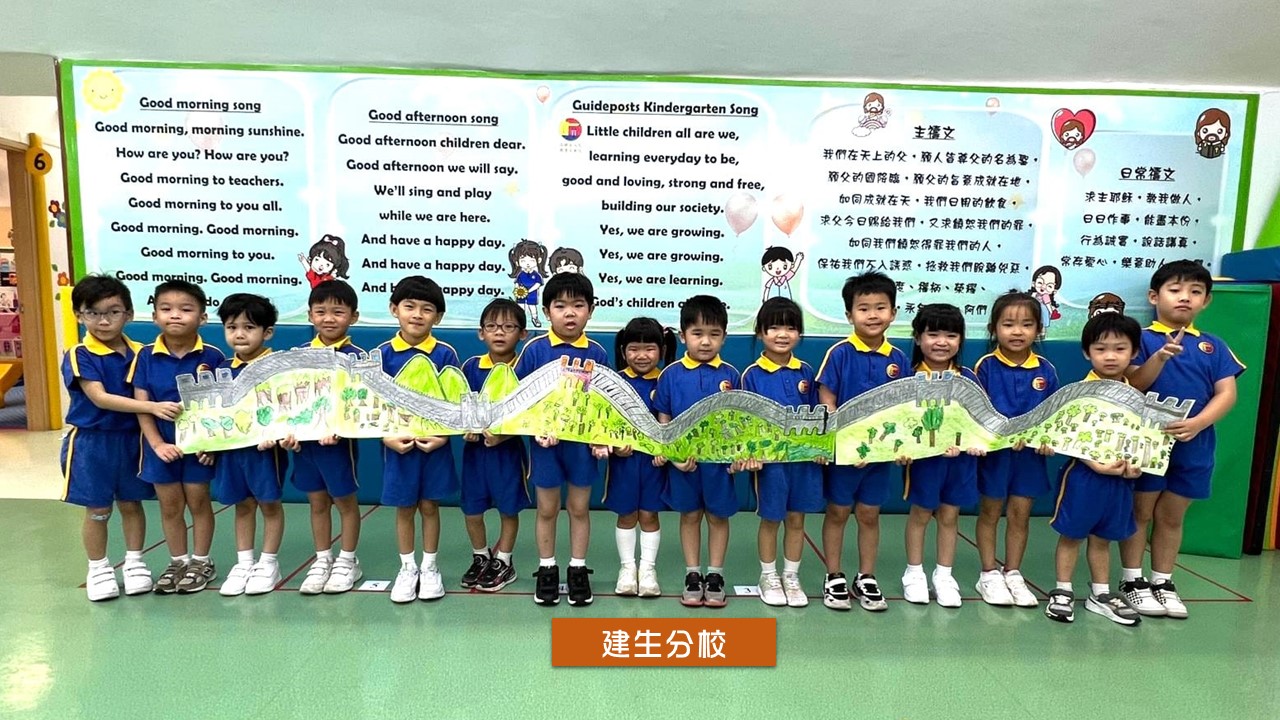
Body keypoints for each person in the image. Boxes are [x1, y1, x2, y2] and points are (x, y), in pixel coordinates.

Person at [1120, 260, 1244, 619]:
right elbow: (1134, 383)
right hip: (1147, 441)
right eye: (1175, 290)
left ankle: (1163, 581)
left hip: (1195, 444)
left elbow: (1227, 394)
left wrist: (1199, 423)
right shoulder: (1140, 339)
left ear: (1206, 300)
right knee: (1140, 511)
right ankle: (1132, 580)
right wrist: (1159, 358)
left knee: (1172, 516)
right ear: (1154, 296)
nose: (1185, 297)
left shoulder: (1213, 346)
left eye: (1195, 291)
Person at [61, 275, 182, 601]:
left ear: (128, 314)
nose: (103, 321)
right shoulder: (79, 353)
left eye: (113, 312)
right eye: (93, 312)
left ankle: (134, 562)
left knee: (131, 504)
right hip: (92, 443)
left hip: (133, 439)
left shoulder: (142, 352)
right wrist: (152, 407)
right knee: (98, 509)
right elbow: (99, 397)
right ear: (79, 315)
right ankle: (98, 568)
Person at [513, 273, 610, 606]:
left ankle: (578, 568)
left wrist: (600, 438)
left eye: (578, 305)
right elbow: (519, 400)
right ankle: (547, 568)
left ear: (590, 311)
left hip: (582, 447)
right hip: (546, 447)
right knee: (547, 508)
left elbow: (604, 403)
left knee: (579, 508)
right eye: (560, 306)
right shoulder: (534, 350)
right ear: (546, 311)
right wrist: (536, 429)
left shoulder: (597, 352)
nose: (570, 313)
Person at [816, 271, 910, 612]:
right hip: (844, 455)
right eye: (864, 308)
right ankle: (833, 575)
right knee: (838, 512)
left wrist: (901, 446)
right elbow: (827, 402)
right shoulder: (839, 354)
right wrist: (845, 444)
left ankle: (866, 576)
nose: (872, 315)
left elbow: (904, 409)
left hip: (879, 457)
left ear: (893, 313)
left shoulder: (899, 359)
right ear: (849, 315)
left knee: (870, 514)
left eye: (880, 307)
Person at [1044, 313, 1145, 625]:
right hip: (1084, 478)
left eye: (1119, 349)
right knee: (1072, 535)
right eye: (1101, 349)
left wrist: (1135, 467)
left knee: (1103, 539)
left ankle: (1100, 594)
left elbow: (1141, 440)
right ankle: (1063, 591)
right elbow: (1065, 435)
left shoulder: (1137, 397)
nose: (1110, 356)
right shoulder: (1078, 392)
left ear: (1134, 352)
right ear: (1087, 352)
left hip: (1119, 482)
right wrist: (1096, 464)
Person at [130, 280, 225, 594]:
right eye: (166, 309)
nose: (175, 315)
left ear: (202, 317)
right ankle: (178, 561)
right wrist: (157, 444)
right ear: (154, 316)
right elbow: (142, 406)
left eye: (186, 309)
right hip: (161, 446)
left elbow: (222, 406)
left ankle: (202, 561)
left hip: (199, 446)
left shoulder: (213, 356)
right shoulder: (145, 356)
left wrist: (211, 444)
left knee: (199, 502)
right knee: (170, 506)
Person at [972, 291, 1059, 607]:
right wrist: (999, 435)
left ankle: (1012, 572)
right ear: (994, 329)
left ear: (1039, 330)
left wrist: (1047, 439)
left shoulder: (1046, 370)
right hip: (996, 456)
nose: (1017, 331)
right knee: (990, 512)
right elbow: (976, 412)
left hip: (1029, 459)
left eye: (1027, 324)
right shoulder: (985, 366)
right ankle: (988, 573)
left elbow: (1052, 415)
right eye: (1008, 324)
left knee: (1020, 515)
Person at [378, 276, 461, 603]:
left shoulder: (445, 354)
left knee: (429, 506)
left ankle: (429, 567)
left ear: (437, 317)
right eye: (409, 306)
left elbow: (456, 403)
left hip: (433, 448)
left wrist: (442, 437)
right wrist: (386, 437)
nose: (417, 314)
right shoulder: (381, 355)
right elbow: (371, 404)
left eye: (427, 309)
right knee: (404, 508)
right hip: (398, 448)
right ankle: (407, 568)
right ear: (394, 309)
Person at [655, 295, 741, 608]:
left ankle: (715, 575)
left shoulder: (731, 375)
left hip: (719, 465)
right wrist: (674, 456)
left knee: (718, 517)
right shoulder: (670, 374)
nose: (705, 341)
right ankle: (692, 574)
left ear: (724, 337)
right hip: (685, 464)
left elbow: (740, 423)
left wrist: (736, 455)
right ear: (683, 336)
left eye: (714, 334)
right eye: (697, 334)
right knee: (690, 516)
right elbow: (663, 421)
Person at [739, 298, 825, 608]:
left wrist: (819, 449)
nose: (782, 334)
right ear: (760, 333)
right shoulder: (751, 375)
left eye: (790, 328)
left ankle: (791, 575)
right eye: (774, 327)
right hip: (770, 464)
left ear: (800, 334)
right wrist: (751, 454)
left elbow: (818, 416)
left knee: (797, 519)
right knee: (771, 519)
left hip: (803, 462)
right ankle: (768, 576)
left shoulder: (806, 371)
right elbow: (745, 422)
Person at [282, 280, 365, 595]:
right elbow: (287, 402)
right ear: (310, 315)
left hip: (338, 446)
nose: (329, 318)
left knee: (344, 501)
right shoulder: (297, 356)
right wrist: (287, 432)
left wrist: (341, 428)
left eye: (338, 312)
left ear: (353, 317)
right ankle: (322, 559)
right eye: (321, 311)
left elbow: (362, 403)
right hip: (305, 446)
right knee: (317, 502)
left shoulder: (359, 357)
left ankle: (348, 560)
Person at [898, 304, 983, 608]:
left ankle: (944, 575)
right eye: (933, 334)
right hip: (925, 462)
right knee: (921, 514)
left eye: (951, 335)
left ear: (961, 340)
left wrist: (975, 442)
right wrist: (904, 449)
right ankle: (914, 573)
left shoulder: (969, 378)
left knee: (949, 515)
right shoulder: (908, 378)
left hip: (961, 462)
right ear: (918, 338)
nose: (942, 342)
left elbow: (979, 420)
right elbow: (900, 422)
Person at [211, 293, 289, 597]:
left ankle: (268, 562)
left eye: (249, 327)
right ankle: (244, 563)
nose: (240, 334)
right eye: (232, 327)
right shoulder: (220, 370)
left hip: (265, 452)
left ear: (267, 332)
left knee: (269, 504)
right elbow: (212, 415)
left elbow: (291, 408)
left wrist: (280, 432)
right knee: (242, 505)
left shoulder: (279, 368)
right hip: (232, 452)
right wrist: (207, 443)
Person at [459, 298, 530, 593]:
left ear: (522, 334)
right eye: (492, 326)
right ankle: (481, 556)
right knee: (472, 509)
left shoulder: (525, 368)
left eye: (508, 327)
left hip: (508, 453)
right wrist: (466, 429)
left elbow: (531, 414)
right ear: (481, 333)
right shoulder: (470, 367)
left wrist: (505, 435)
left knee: (508, 509)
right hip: (475, 453)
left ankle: (504, 560)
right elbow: (460, 407)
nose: (499, 332)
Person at [606, 317, 676, 598]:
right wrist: (614, 445)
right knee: (626, 514)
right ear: (623, 351)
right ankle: (627, 568)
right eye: (634, 348)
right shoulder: (614, 381)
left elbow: (671, 421)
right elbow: (604, 421)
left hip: (653, 464)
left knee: (649, 514)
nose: (642, 355)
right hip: (623, 462)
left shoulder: (666, 380)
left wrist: (664, 449)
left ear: (662, 350)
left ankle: (647, 570)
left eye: (650, 349)